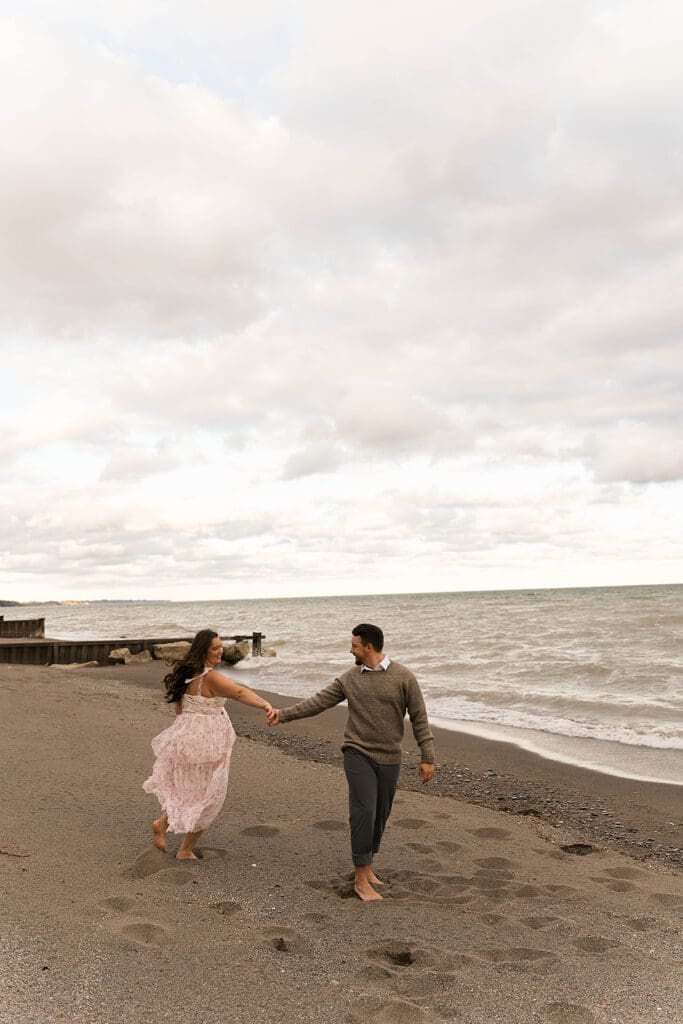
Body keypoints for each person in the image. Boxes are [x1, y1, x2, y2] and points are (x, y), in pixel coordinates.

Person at [267, 623, 435, 901]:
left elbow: (420, 717)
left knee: (380, 814)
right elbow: (318, 702)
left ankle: (367, 866)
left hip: (390, 757)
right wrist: (282, 715)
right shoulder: (350, 679)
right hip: (357, 753)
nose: (350, 649)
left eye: (354, 645)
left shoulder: (404, 677)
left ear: (368, 647)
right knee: (364, 811)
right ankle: (360, 879)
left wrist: (427, 757)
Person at [143, 628, 273, 860]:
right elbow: (239, 692)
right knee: (210, 796)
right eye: (215, 647)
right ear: (204, 651)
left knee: (188, 791)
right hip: (207, 743)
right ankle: (184, 849)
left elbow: (179, 709)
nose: (220, 650)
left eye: (221, 646)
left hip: (185, 738)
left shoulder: (187, 676)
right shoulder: (210, 677)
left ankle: (163, 825)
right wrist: (265, 705)